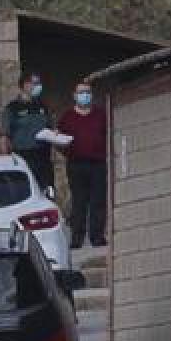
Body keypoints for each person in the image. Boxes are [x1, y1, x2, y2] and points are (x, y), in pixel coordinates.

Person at [57, 80, 107, 248]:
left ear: (91, 95)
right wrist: (68, 153)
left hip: (98, 164)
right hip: (76, 164)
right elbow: (59, 141)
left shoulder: (101, 115)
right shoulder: (67, 117)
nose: (84, 95)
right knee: (79, 202)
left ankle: (97, 236)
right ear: (74, 96)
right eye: (81, 92)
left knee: (98, 201)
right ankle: (77, 238)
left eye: (87, 92)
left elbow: (108, 135)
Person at [4, 72, 54, 194]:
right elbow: (5, 136)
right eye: (35, 83)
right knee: (24, 193)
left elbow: (50, 127)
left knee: (47, 193)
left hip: (43, 158)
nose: (39, 86)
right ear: (25, 85)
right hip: (23, 157)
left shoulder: (43, 106)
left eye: (39, 83)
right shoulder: (12, 108)